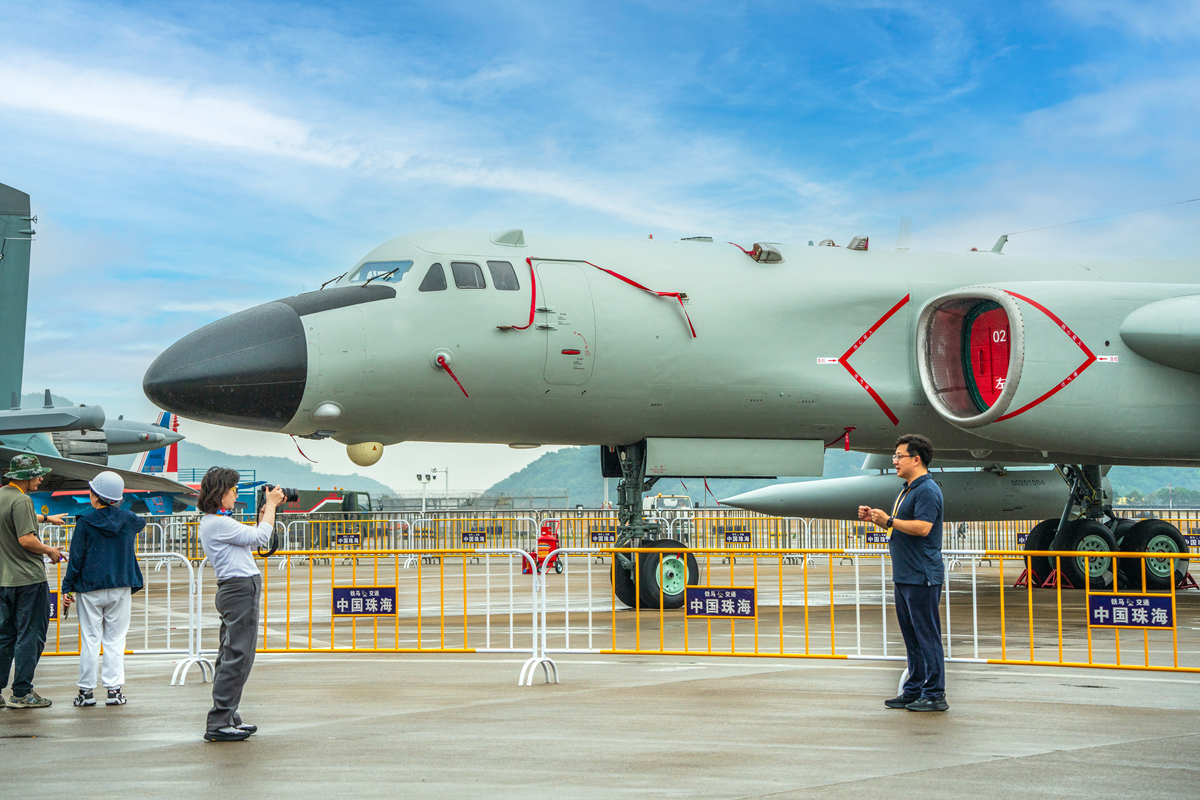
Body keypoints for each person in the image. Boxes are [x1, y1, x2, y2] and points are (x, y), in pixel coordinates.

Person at [858, 434, 947, 713]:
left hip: (922, 574)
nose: (895, 461)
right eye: (894, 457)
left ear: (916, 459)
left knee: (926, 635)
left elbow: (923, 528)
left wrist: (890, 520)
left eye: (899, 456)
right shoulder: (908, 489)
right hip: (905, 574)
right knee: (912, 637)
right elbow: (901, 527)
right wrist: (877, 519)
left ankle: (934, 694)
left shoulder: (927, 490)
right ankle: (914, 689)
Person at [198, 467, 283, 742]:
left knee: (229, 654)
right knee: (239, 656)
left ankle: (229, 715)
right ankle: (220, 721)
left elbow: (251, 536)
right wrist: (270, 505)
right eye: (233, 491)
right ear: (221, 493)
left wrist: (265, 514)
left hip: (236, 589)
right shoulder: (219, 523)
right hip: (239, 590)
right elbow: (260, 538)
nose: (236, 496)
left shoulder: (217, 521)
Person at [60, 471, 146, 707]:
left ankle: (86, 693)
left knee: (90, 639)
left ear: (95, 496)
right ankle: (114, 691)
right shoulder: (129, 520)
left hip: (90, 587)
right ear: (117, 498)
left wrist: (66, 588)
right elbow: (140, 522)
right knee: (115, 640)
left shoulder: (85, 523)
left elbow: (76, 559)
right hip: (120, 586)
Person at [0, 454, 66, 709]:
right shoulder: (22, 500)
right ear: (26, 477)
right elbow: (26, 539)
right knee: (30, 636)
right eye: (38, 474)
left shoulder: (4, 496)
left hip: (4, 580)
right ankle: (21, 692)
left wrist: (47, 518)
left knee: (4, 637)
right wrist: (50, 551)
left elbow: (14, 519)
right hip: (28, 581)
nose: (41, 478)